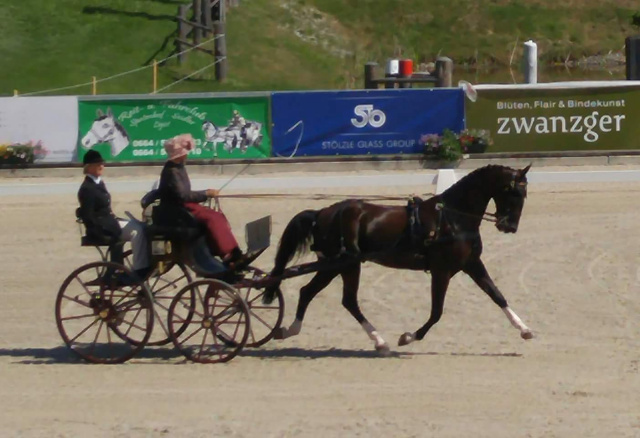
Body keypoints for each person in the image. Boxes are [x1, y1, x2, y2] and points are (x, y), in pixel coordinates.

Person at [158, 133, 257, 269]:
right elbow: (183, 196)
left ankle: (232, 252)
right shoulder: (171, 171)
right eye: (185, 153)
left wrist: (206, 193)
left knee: (217, 216)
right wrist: (206, 194)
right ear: (179, 154)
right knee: (212, 218)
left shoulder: (178, 167)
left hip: (183, 205)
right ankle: (228, 255)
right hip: (176, 209)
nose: (187, 155)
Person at [77, 150, 151, 281]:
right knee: (137, 231)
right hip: (103, 227)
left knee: (143, 227)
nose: (101, 166)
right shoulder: (87, 188)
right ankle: (139, 269)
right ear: (89, 167)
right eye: (97, 164)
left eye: (102, 163)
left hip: (110, 221)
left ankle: (145, 262)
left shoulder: (98, 183)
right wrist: (99, 232)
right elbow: (88, 215)